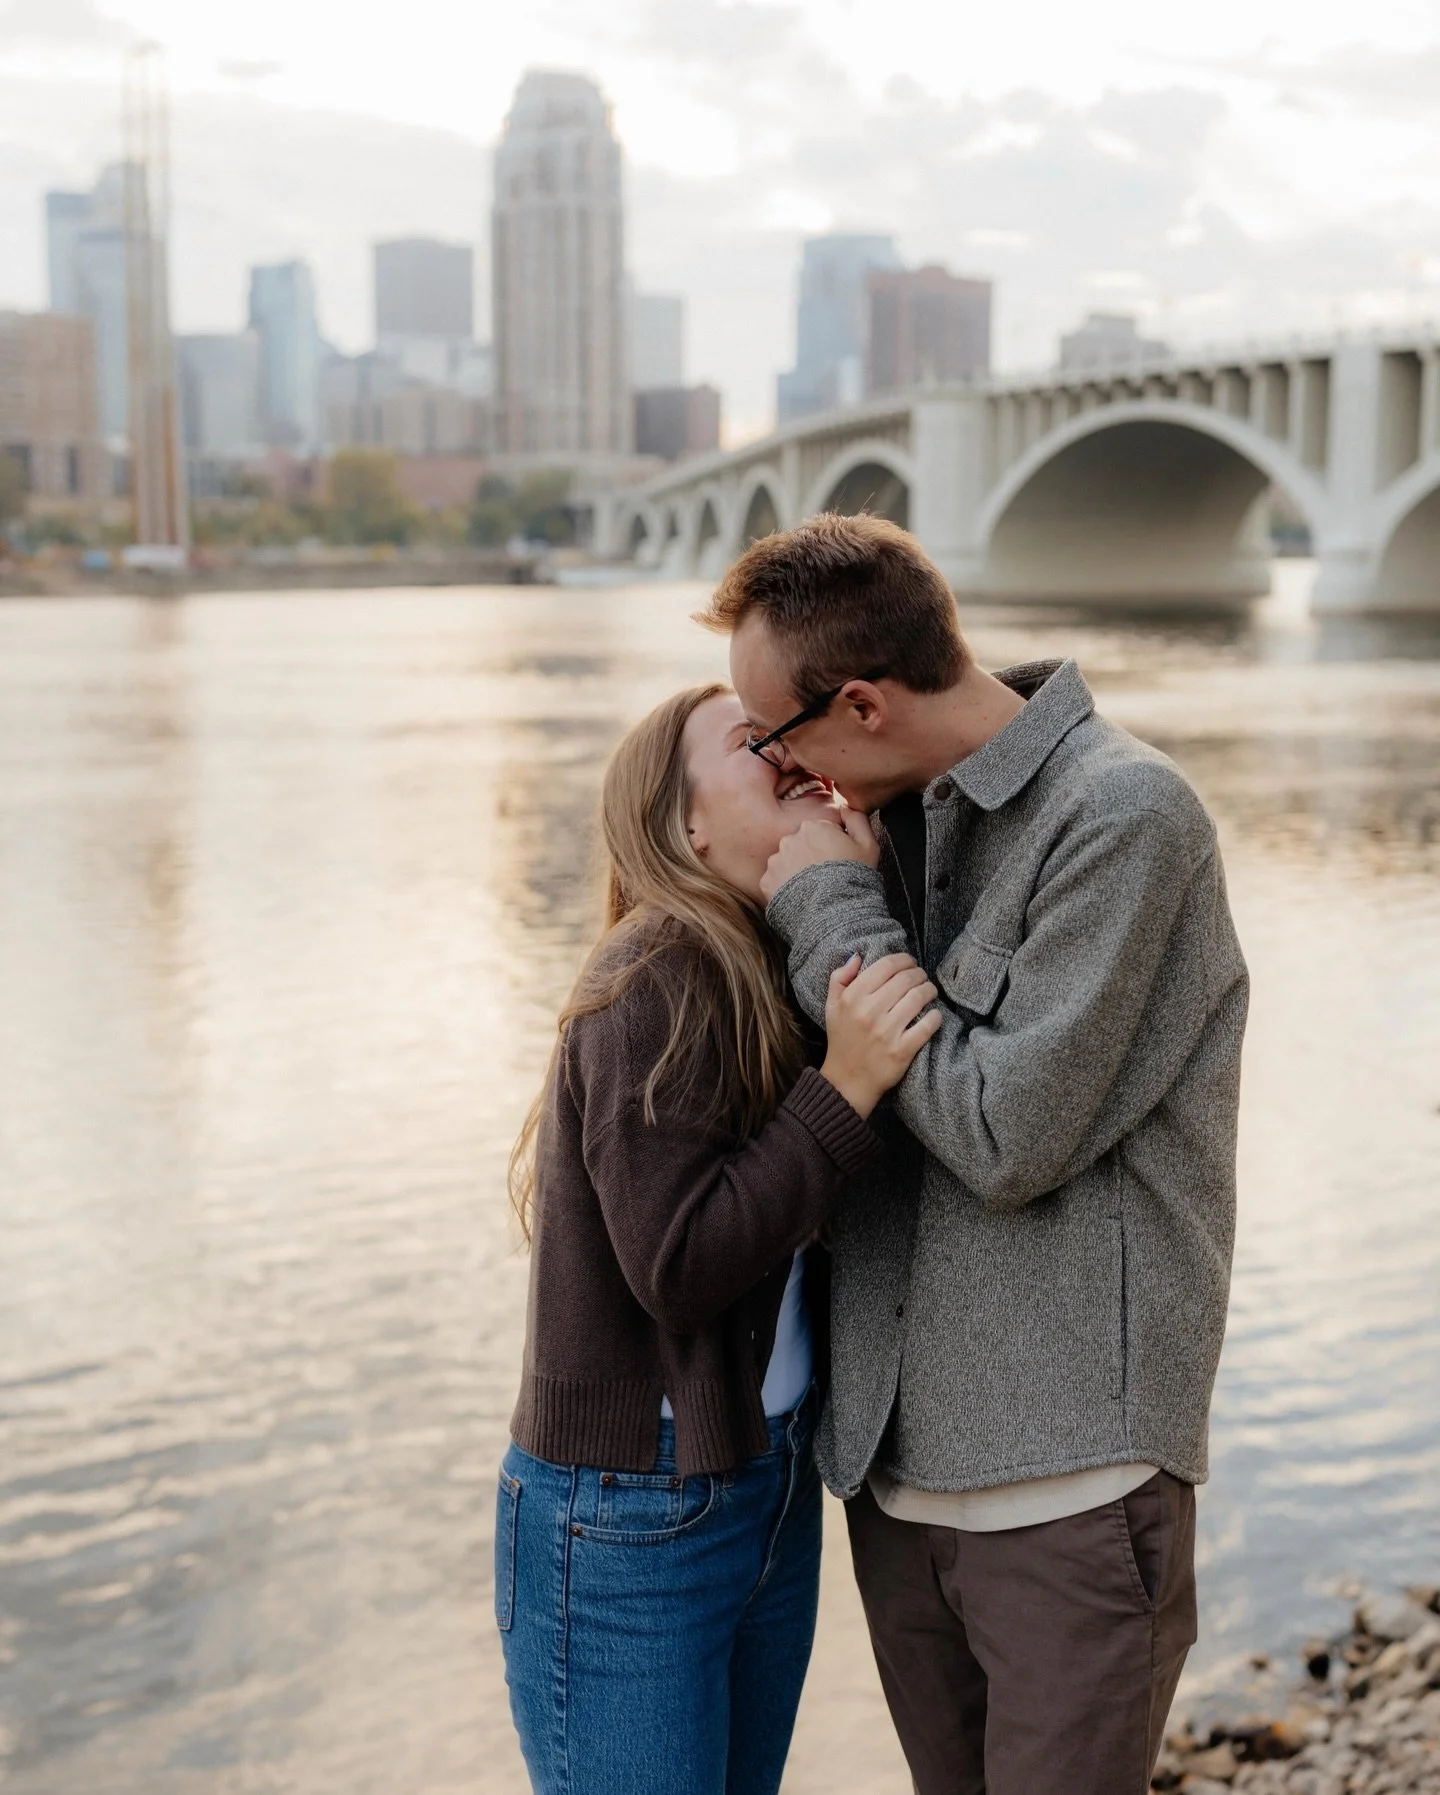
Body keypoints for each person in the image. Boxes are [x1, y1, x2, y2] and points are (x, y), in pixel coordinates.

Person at [702, 512, 1249, 1795]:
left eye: (781, 739)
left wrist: (825, 909)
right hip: (897, 1481)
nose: (793, 779)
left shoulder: (1125, 818)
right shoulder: (888, 823)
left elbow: (1007, 1134)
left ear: (865, 703)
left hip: (1069, 1487)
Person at [496, 682, 942, 1795]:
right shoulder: (656, 974)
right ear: (685, 825)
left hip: (762, 1480)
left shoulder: (768, 959)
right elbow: (679, 1268)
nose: (789, 754)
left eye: (792, 737)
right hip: (627, 1515)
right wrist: (843, 1085)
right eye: (755, 745)